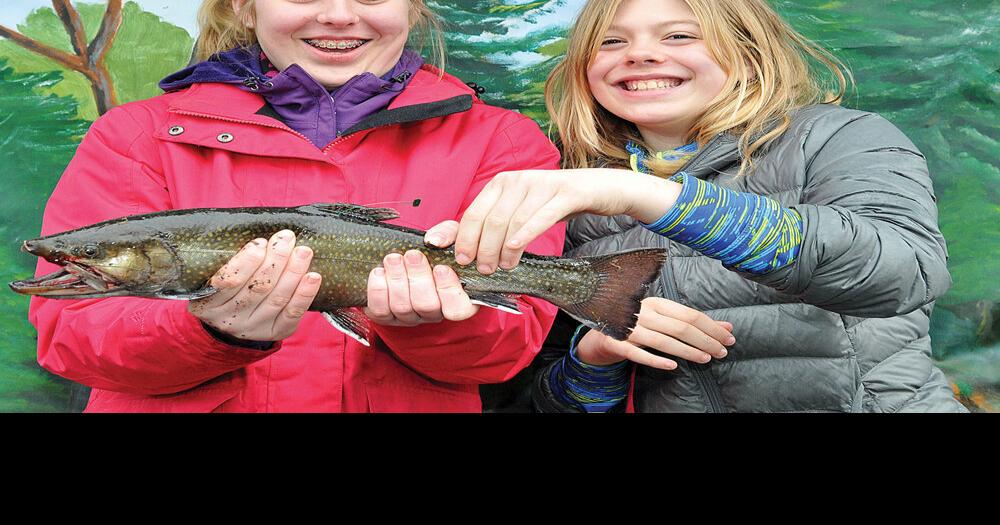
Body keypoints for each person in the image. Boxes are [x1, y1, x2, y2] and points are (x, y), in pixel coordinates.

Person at [426, 0, 967, 412]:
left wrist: (653, 198)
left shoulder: (840, 137)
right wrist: (596, 359)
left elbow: (902, 273)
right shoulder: (565, 190)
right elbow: (536, 397)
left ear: (747, 51)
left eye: (680, 35)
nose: (639, 54)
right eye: (611, 43)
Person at [28, 0, 565, 412]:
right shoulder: (135, 136)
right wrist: (207, 332)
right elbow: (72, 339)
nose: (337, 14)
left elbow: (503, 353)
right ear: (244, 5)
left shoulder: (505, 143)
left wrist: (430, 325)